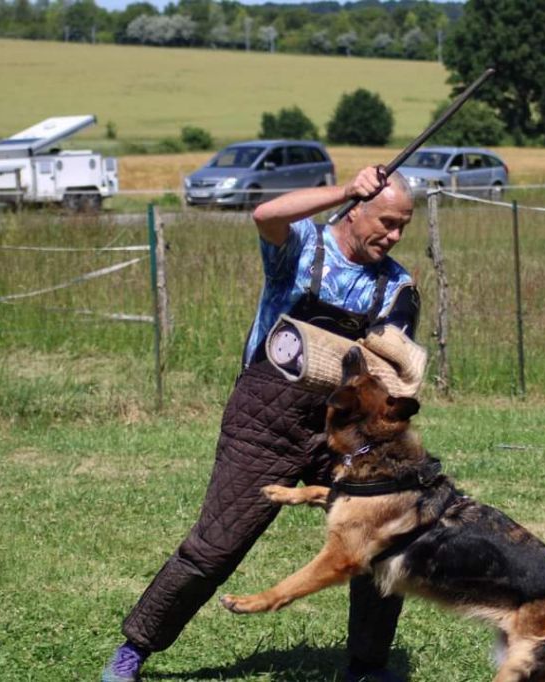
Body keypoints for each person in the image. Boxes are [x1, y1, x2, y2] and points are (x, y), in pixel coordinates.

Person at [102, 166, 421, 682]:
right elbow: (264, 213)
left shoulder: (396, 284)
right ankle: (134, 650)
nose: (395, 235)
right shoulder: (303, 248)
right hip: (263, 420)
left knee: (378, 542)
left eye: (403, 225)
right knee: (216, 544)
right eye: (386, 221)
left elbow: (396, 367)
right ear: (357, 208)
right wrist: (343, 187)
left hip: (342, 433)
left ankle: (367, 668)